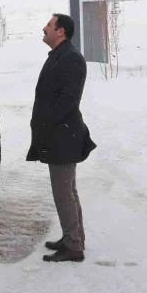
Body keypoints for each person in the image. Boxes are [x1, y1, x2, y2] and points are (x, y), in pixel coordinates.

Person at [27, 13, 97, 263]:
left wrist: (48, 121)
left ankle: (74, 247)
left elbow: (69, 98)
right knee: (68, 191)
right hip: (59, 133)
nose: (44, 28)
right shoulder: (60, 55)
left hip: (63, 135)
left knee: (63, 193)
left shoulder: (71, 58)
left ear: (61, 32)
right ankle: (73, 238)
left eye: (49, 25)